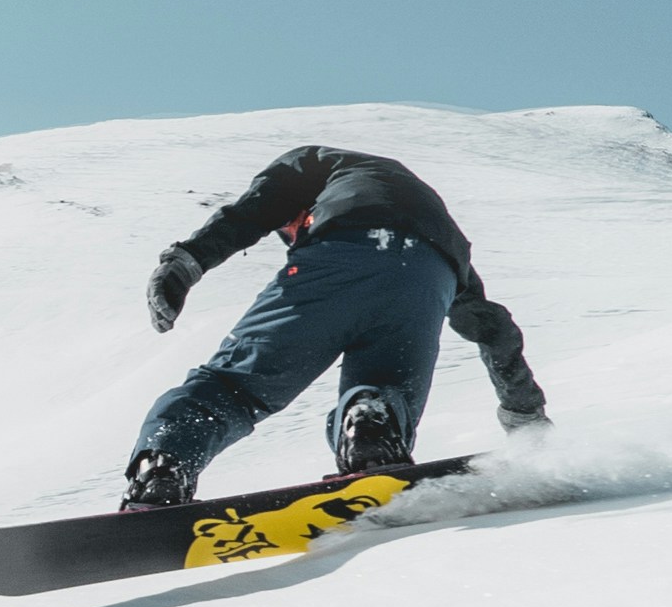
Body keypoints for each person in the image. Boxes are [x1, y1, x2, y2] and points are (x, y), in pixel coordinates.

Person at [121, 145, 548, 510]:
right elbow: (494, 329)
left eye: (290, 230)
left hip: (340, 255)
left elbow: (252, 210)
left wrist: (184, 263)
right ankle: (370, 429)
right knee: (385, 386)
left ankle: (164, 464)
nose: (290, 236)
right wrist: (524, 414)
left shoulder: (317, 163)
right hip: (428, 277)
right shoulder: (446, 238)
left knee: (237, 386)